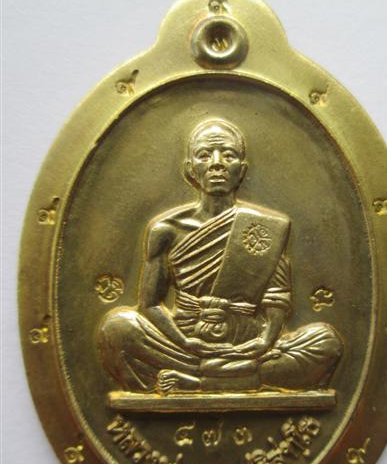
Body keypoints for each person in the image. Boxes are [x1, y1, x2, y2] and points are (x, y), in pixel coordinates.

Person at [97, 119, 343, 393]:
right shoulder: (165, 230)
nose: (217, 163)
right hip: (185, 345)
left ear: (242, 170)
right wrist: (186, 342)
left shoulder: (263, 227)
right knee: (117, 329)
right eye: (205, 155)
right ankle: (236, 377)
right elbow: (150, 304)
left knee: (326, 342)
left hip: (249, 346)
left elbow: (277, 298)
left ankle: (197, 381)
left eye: (228, 155)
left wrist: (264, 342)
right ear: (190, 170)